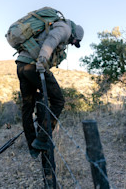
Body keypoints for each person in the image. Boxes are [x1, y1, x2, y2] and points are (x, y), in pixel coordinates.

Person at [15, 17, 84, 159]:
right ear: (75, 35)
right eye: (76, 41)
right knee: (58, 101)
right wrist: (42, 59)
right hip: (34, 65)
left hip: (21, 65)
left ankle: (32, 147)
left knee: (27, 107)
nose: (73, 44)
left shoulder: (56, 25)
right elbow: (51, 40)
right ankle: (42, 139)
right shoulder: (64, 29)